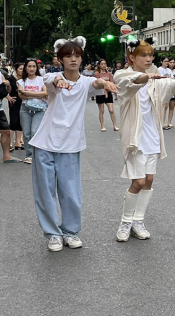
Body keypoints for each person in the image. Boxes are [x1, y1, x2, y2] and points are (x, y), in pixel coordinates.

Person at [31, 37, 119, 251]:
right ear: (60, 59)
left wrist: (105, 82)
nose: (73, 59)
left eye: (77, 56)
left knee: (70, 191)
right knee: (45, 191)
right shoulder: (53, 76)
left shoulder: (87, 82)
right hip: (44, 143)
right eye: (68, 56)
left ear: (81, 58)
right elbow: (50, 82)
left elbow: (96, 83)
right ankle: (53, 234)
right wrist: (58, 82)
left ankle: (70, 232)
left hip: (70, 145)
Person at [114, 37, 175, 243]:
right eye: (144, 55)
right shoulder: (122, 74)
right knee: (137, 181)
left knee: (148, 180)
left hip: (152, 135)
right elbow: (129, 84)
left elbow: (168, 85)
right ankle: (125, 222)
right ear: (132, 57)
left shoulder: (155, 77)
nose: (149, 59)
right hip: (135, 136)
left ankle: (138, 221)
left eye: (151, 55)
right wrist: (144, 78)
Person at [17, 60, 47, 164]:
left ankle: (37, 154)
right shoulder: (22, 81)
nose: (31, 68)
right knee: (26, 133)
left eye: (34, 66)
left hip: (39, 109)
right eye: (29, 66)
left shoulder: (41, 80)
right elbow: (21, 95)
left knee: (35, 132)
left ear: (36, 68)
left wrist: (27, 93)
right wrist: (38, 94)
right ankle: (29, 155)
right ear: (26, 68)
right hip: (25, 108)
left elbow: (45, 93)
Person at [0, 70, 21, 163]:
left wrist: (7, 85)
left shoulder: (0, 74)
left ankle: (7, 156)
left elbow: (7, 91)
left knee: (6, 131)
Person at [94, 59, 119, 132]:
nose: (103, 65)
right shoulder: (97, 74)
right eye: (102, 64)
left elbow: (112, 82)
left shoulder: (109, 74)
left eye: (104, 64)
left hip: (108, 93)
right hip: (100, 93)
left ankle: (115, 125)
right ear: (99, 65)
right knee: (101, 110)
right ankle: (102, 126)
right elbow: (96, 83)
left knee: (111, 110)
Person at [7, 63, 24, 153]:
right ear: (16, 69)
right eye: (20, 69)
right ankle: (9, 143)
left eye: (23, 69)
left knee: (20, 122)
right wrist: (9, 97)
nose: (22, 70)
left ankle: (18, 142)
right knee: (13, 121)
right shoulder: (11, 78)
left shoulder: (26, 79)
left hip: (23, 101)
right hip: (14, 101)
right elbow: (6, 89)